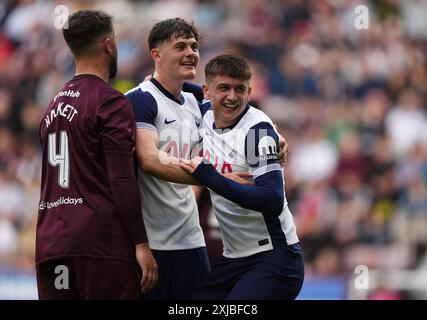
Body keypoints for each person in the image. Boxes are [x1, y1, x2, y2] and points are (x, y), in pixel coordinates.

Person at [126, 18, 288, 300]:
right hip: (153, 240)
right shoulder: (140, 100)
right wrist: (216, 178)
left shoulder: (194, 100)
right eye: (180, 46)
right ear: (156, 55)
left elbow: (243, 113)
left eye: (194, 46)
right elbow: (149, 160)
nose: (191, 53)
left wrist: (275, 137)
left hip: (190, 238)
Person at [36, 10, 157, 300]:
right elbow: (121, 179)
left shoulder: (50, 108)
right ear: (108, 45)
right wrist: (141, 243)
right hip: (100, 244)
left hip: (51, 242)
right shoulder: (110, 102)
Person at [180, 54, 304, 300]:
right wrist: (154, 81)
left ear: (249, 92)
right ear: (206, 91)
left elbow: (272, 199)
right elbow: (174, 86)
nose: (232, 96)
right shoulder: (205, 111)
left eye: (240, 89)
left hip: (274, 257)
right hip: (234, 258)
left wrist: (211, 177)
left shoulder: (257, 132)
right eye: (224, 88)